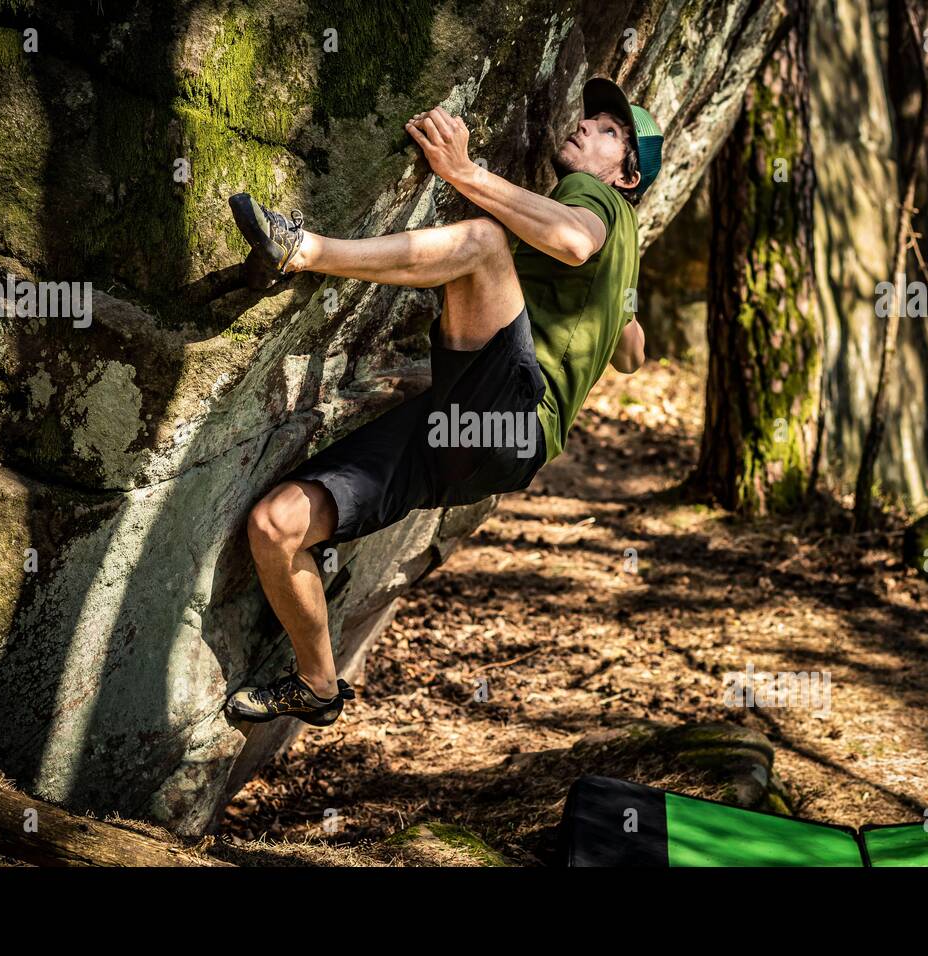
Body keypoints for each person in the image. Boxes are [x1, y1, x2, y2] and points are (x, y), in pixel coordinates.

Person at [224, 77, 664, 726]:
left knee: (482, 246)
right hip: (468, 441)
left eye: (609, 132)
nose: (586, 126)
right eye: (592, 117)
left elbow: (573, 240)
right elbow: (634, 352)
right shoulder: (624, 254)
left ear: (625, 178)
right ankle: (318, 687)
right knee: (276, 525)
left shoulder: (590, 195)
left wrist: (461, 171)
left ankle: (302, 250)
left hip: (507, 420)